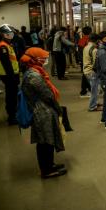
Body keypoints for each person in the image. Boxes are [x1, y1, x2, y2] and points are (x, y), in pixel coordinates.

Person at [20, 47, 67, 178]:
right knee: (44, 141)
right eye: (44, 58)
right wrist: (57, 108)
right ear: (34, 59)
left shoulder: (34, 71)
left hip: (44, 110)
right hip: (42, 112)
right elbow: (47, 94)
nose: (46, 60)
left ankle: (50, 164)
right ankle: (46, 170)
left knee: (48, 139)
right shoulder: (33, 75)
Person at [0, 24, 20, 125]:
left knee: (13, 95)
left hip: (12, 74)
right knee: (11, 96)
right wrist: (13, 77)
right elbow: (7, 65)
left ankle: (13, 114)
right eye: (10, 33)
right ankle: (11, 117)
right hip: (8, 75)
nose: (12, 35)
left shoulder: (8, 44)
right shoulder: (2, 47)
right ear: (4, 34)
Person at [83, 33, 102, 112]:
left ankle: (95, 103)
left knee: (95, 89)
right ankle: (92, 107)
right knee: (95, 90)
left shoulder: (86, 47)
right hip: (92, 72)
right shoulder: (94, 50)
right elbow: (96, 63)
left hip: (86, 70)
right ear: (97, 40)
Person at [78, 26, 92, 98]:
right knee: (87, 76)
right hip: (87, 60)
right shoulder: (89, 40)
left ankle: (85, 90)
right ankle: (84, 91)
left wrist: (80, 61)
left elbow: (79, 51)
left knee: (85, 75)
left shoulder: (81, 40)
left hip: (83, 60)